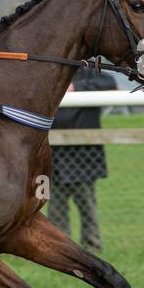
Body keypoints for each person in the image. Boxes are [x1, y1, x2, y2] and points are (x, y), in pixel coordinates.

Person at [47, 69, 116, 252]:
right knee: (55, 207)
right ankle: (60, 249)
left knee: (87, 205)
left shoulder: (88, 72)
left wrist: (76, 87)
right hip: (53, 154)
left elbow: (109, 83)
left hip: (84, 155)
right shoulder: (50, 69)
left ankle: (92, 246)